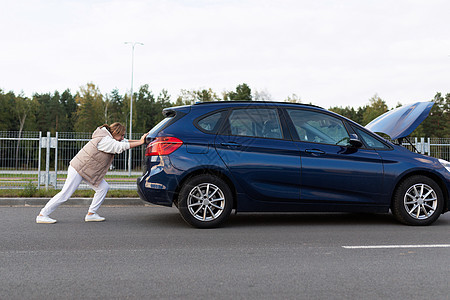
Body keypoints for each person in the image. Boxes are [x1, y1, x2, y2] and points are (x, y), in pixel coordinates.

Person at [36, 122, 148, 224]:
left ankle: (91, 214)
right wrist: (140, 142)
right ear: (114, 133)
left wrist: (141, 141)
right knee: (65, 194)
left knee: (103, 187)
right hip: (79, 168)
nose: (123, 137)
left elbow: (124, 141)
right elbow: (120, 146)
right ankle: (42, 215)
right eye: (121, 135)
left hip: (87, 170)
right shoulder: (105, 140)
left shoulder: (108, 137)